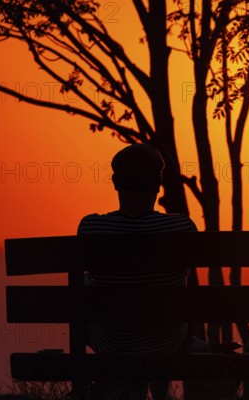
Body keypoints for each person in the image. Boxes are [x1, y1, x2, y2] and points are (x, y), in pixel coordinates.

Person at [78, 144, 206, 400]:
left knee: (84, 284)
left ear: (115, 182)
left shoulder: (91, 228)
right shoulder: (182, 228)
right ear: (158, 184)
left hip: (112, 345)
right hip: (168, 343)